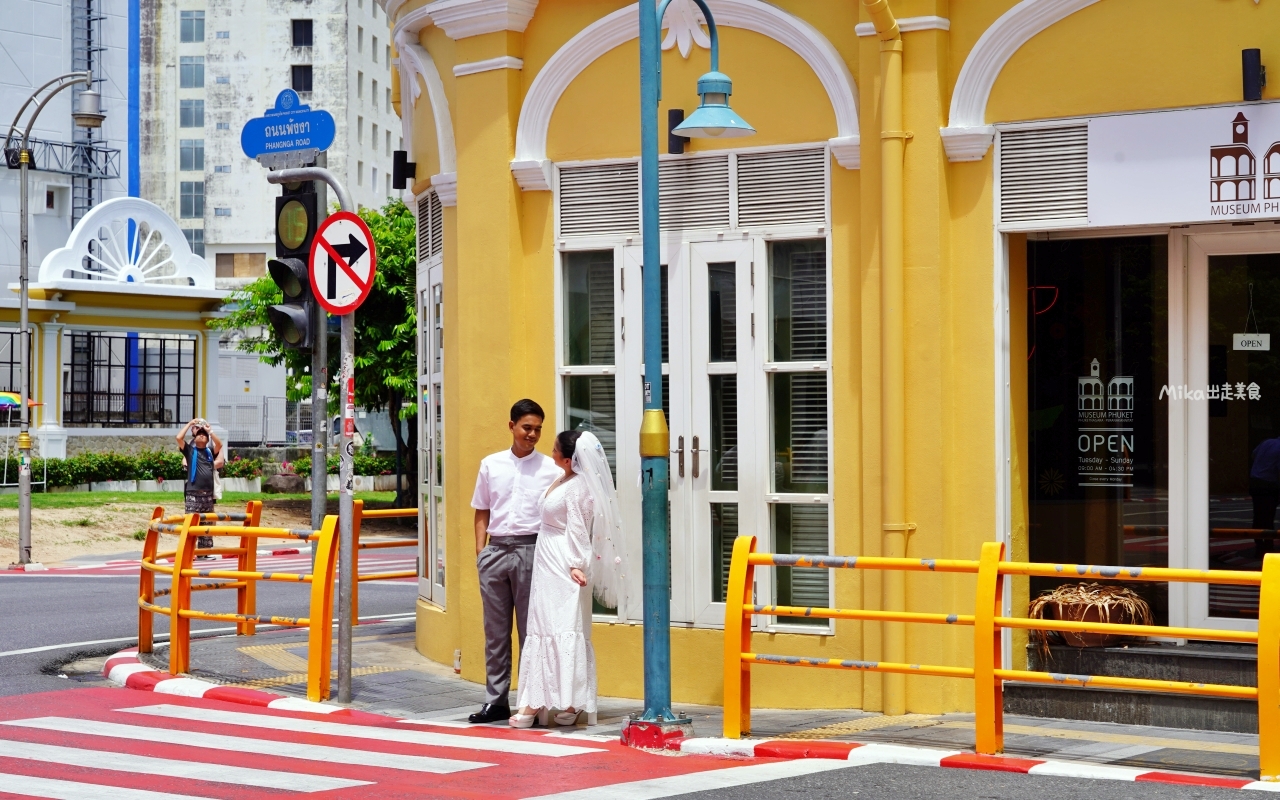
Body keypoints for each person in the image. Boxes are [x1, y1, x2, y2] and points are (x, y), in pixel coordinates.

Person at [510, 429, 626, 728]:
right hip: (546, 557)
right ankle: (540, 699)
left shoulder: (579, 488)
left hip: (562, 561)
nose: (550, 453)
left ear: (567, 458)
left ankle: (560, 702)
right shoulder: (563, 479)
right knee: (542, 624)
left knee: (563, 625)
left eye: (554, 449)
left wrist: (576, 564)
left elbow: (578, 526)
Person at [468, 399, 562, 724]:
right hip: (495, 552)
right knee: (495, 632)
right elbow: (481, 508)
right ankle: (496, 701)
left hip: (532, 552)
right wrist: (481, 552)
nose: (532, 434)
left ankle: (530, 702)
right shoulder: (490, 465)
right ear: (512, 426)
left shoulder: (551, 468)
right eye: (527, 428)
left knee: (530, 631)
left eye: (537, 429)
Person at [176, 418, 224, 559]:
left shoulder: (210, 451)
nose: (201, 435)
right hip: (193, 493)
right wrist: (190, 424)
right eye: (199, 434)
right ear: (195, 438)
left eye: (204, 434)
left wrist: (211, 431)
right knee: (190, 524)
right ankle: (187, 553)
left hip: (207, 494)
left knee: (206, 525)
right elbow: (179, 437)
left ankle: (204, 553)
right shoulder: (190, 451)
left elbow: (219, 444)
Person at [1252, 435, 1280, 556]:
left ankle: (1259, 544)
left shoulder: (1266, 442)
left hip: (1255, 481)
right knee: (1269, 515)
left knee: (1258, 514)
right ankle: (1268, 544)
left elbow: (1253, 454)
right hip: (1269, 483)